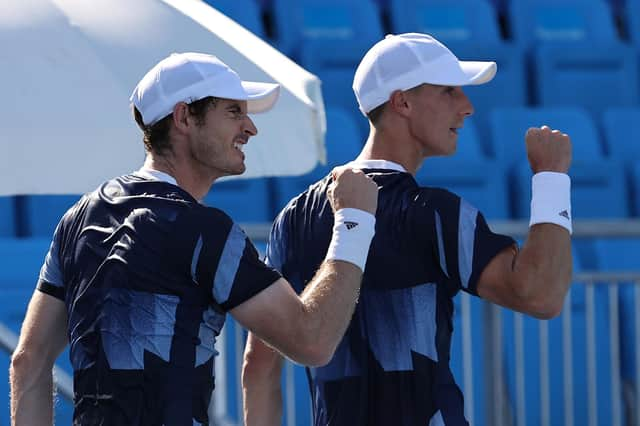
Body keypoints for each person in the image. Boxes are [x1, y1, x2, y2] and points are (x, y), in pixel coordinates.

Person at [10, 52, 379, 425]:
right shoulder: (204, 230)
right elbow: (311, 339)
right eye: (234, 112)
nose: (250, 127)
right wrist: (354, 220)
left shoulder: (76, 219)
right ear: (184, 117)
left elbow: (29, 360)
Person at [242, 33, 573, 426]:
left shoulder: (292, 217)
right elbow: (541, 296)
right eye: (449, 91)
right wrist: (551, 179)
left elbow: (257, 366)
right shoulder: (435, 213)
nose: (467, 107)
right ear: (402, 102)